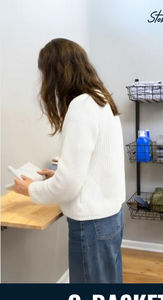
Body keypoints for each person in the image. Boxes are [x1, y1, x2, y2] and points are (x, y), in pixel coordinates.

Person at [13, 38, 126, 283]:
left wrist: (29, 189)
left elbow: (69, 185)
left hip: (92, 223)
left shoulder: (82, 107)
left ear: (55, 73)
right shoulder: (100, 99)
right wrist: (60, 175)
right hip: (110, 217)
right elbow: (98, 165)